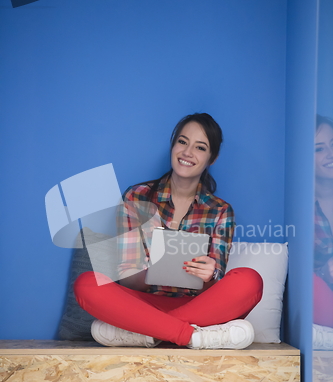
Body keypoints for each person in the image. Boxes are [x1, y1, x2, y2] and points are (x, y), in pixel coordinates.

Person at [74, 113, 263, 349]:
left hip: (198, 307)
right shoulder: (136, 197)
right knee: (87, 284)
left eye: (200, 147)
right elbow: (129, 282)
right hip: (142, 304)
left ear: (211, 158)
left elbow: (216, 288)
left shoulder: (221, 211)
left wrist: (210, 276)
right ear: (173, 145)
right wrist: (150, 263)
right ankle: (189, 336)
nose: (187, 152)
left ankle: (148, 332)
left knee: (250, 280)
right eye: (182, 142)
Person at [313, 114, 333, 349]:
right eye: (319, 149)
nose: (330, 153)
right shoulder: (303, 206)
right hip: (322, 292)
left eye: (332, 145)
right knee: (311, 282)